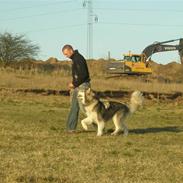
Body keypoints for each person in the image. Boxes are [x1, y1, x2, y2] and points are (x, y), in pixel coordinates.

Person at [62, 44, 91, 132]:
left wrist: (74, 84)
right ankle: (70, 128)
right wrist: (74, 84)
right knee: (74, 107)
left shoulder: (78, 59)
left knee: (85, 108)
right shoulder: (75, 59)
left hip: (83, 86)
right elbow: (77, 75)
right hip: (77, 86)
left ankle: (99, 126)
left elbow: (84, 75)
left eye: (66, 54)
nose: (66, 56)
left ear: (71, 50)